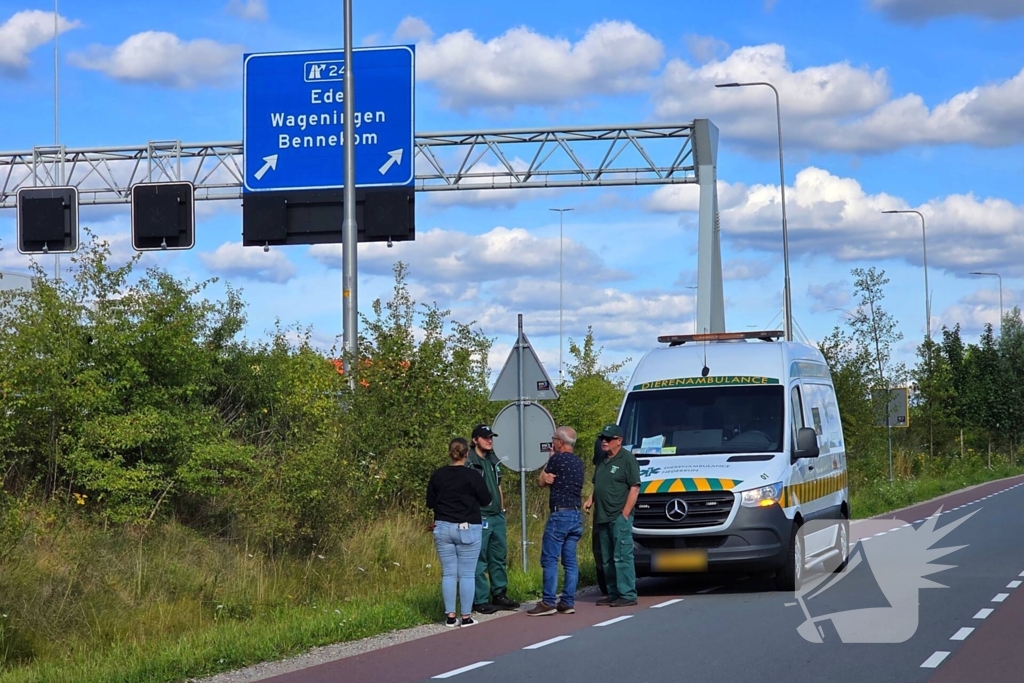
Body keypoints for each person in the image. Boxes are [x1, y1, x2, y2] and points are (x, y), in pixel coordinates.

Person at [427, 437, 492, 627]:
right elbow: (486, 500)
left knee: (448, 573)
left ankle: (449, 616)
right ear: (467, 454)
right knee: (466, 574)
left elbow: (430, 502)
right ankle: (465, 617)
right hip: (468, 527)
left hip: (443, 527)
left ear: (450, 453)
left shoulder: (438, 475)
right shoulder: (473, 476)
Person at [528, 426, 585, 616]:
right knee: (570, 561)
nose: (552, 442)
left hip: (560, 514)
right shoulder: (578, 462)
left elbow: (541, 482)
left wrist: (547, 466)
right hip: (576, 515)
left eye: (554, 439)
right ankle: (568, 601)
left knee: (550, 559)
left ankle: (548, 602)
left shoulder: (556, 459)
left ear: (560, 442)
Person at [584, 423, 641, 607]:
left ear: (619, 440)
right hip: (602, 516)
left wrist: (625, 513)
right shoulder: (602, 460)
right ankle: (613, 592)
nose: (604, 442)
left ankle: (627, 593)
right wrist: (590, 499)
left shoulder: (627, 459)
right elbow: (598, 484)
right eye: (602, 438)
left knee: (622, 556)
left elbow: (634, 487)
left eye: (608, 439)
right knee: (606, 558)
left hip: (618, 516)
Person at [467, 424, 520, 613]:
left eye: (491, 437)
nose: (489, 440)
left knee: (498, 556)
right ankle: (479, 599)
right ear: (475, 440)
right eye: (485, 437)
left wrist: (502, 508)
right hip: (480, 515)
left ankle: (499, 594)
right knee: (479, 558)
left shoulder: (493, 460)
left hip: (497, 515)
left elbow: (498, 486)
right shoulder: (469, 462)